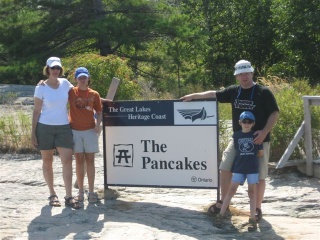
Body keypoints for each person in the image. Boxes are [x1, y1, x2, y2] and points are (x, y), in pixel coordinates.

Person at [180, 59, 279, 221]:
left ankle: (257, 209)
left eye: (246, 73)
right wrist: (194, 96)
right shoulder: (234, 91)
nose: (244, 76)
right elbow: (213, 94)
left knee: (259, 176)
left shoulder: (264, 92)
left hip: (258, 140)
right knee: (225, 168)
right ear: (236, 76)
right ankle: (223, 203)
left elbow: (274, 113)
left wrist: (264, 131)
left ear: (252, 73)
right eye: (241, 74)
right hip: (238, 139)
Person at [31, 57, 81, 209]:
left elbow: (80, 92)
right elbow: (36, 111)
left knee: (67, 160)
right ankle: (52, 193)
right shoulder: (41, 88)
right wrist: (33, 133)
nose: (55, 71)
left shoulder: (65, 83)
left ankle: (68, 195)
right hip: (44, 127)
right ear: (47, 69)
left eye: (58, 68)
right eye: (53, 68)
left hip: (63, 127)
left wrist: (98, 100)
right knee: (47, 161)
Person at [215, 111, 263, 231]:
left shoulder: (256, 135)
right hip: (239, 168)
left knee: (252, 192)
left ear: (253, 123)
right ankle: (220, 214)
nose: (246, 124)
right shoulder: (236, 136)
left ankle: (252, 219)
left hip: (252, 169)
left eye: (249, 122)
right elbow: (237, 151)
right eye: (244, 121)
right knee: (231, 190)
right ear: (240, 123)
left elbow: (260, 152)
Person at [69, 67, 102, 203]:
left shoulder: (94, 94)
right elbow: (56, 87)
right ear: (76, 79)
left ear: (88, 78)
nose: (82, 80)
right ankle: (81, 191)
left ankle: (92, 191)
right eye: (80, 77)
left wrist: (98, 124)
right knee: (78, 161)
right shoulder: (71, 92)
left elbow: (99, 111)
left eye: (85, 77)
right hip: (75, 130)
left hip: (89, 130)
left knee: (90, 161)